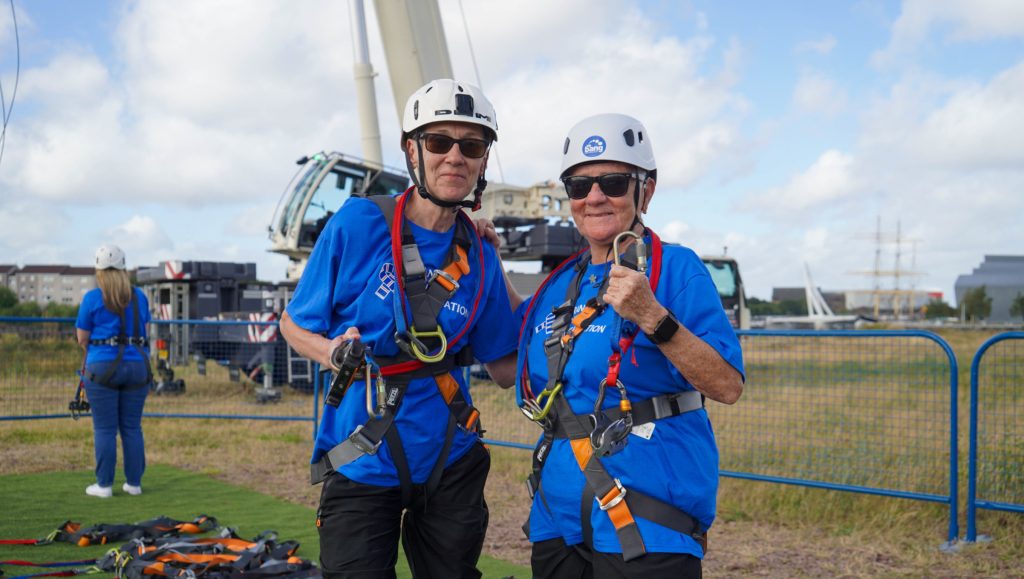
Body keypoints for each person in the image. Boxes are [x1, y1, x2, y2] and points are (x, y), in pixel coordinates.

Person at [280, 78, 518, 578]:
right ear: (413, 150)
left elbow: (505, 366)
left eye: (471, 145)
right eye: (439, 142)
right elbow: (294, 324)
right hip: (364, 454)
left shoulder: (479, 253)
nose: (455, 156)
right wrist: (330, 352)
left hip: (450, 456)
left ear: (482, 162)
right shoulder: (358, 223)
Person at [508, 113, 745, 578]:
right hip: (557, 520)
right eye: (579, 186)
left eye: (613, 182)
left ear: (646, 191)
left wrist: (653, 317)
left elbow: (727, 385)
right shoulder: (558, 284)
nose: (594, 197)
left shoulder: (676, 270)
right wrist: (479, 252)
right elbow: (507, 366)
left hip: (647, 521)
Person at [75, 244, 153, 498]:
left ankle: (104, 485)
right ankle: (134, 484)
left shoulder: (92, 298)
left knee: (105, 428)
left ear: (98, 270)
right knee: (132, 427)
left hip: (102, 367)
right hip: (137, 366)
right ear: (124, 269)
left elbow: (82, 338)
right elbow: (146, 330)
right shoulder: (139, 296)